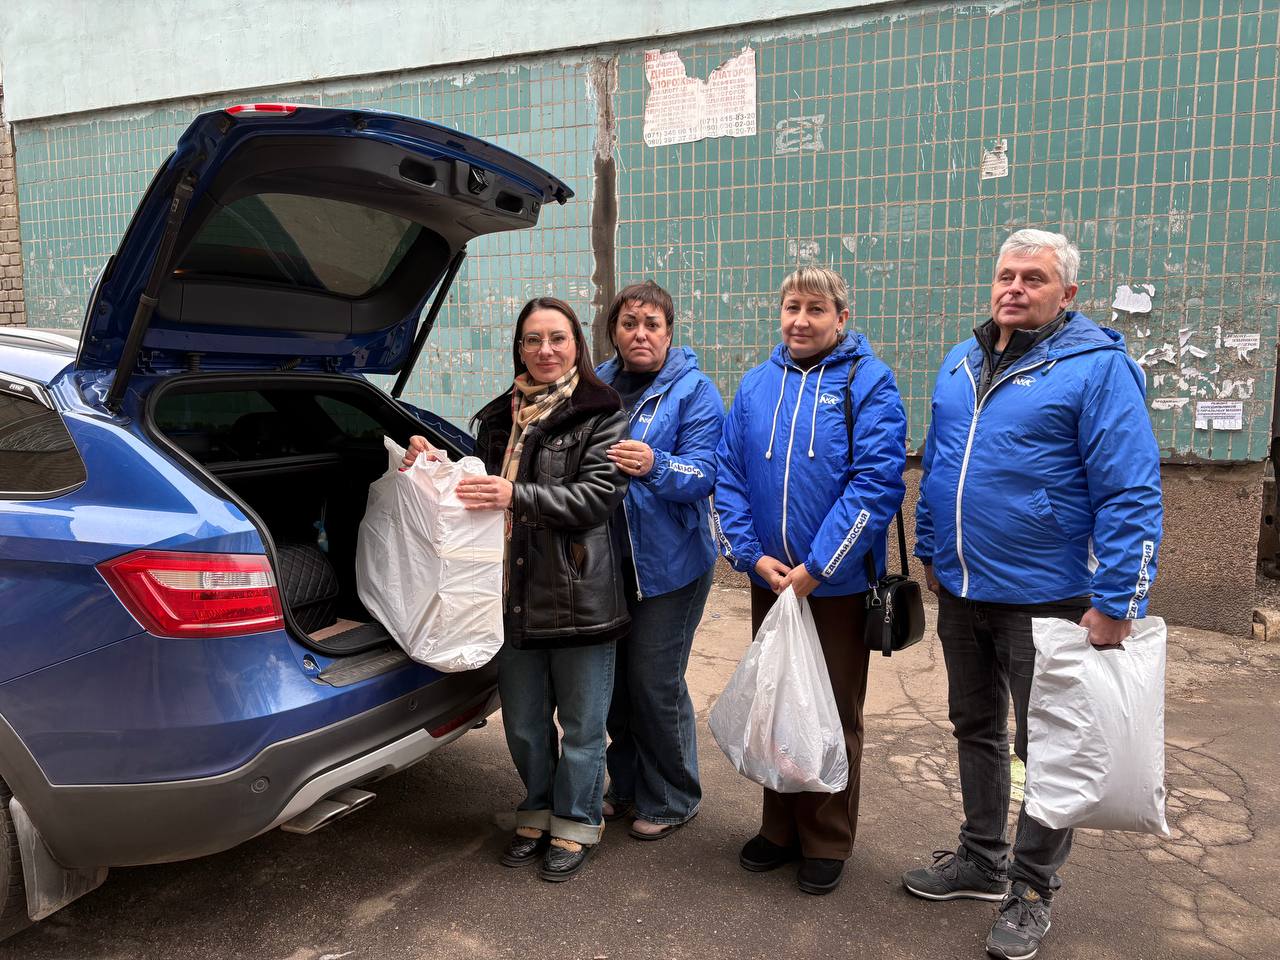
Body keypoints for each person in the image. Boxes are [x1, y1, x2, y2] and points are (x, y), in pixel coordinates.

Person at [905, 229, 1163, 960]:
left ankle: (1031, 888)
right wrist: (930, 548)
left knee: (1047, 747)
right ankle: (981, 859)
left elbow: (1131, 492)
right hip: (963, 588)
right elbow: (940, 459)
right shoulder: (962, 361)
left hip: (1047, 598)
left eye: (1034, 279)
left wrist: (1119, 600)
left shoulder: (1099, 369)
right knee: (974, 728)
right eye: (1005, 275)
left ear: (1067, 294)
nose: (1014, 288)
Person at [403, 297, 629, 883]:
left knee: (582, 726)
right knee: (525, 723)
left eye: (557, 338)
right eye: (532, 340)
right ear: (519, 348)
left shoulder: (602, 413)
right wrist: (434, 462)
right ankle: (537, 806)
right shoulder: (500, 416)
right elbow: (474, 484)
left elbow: (595, 499)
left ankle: (577, 821)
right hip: (510, 595)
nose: (545, 351)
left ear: (577, 345)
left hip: (581, 595)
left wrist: (516, 498)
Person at [713, 266, 906, 895]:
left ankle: (826, 836)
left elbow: (876, 485)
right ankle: (780, 828)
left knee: (829, 712)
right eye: (791, 306)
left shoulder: (868, 382)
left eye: (815, 309)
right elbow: (730, 476)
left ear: (841, 318)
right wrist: (748, 556)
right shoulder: (755, 385)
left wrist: (819, 568)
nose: (801, 319)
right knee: (776, 704)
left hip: (836, 588)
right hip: (771, 582)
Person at [594, 281, 725, 840]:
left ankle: (673, 795)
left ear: (670, 333)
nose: (640, 333)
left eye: (652, 323)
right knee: (613, 685)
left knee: (654, 681)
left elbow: (707, 474)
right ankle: (625, 787)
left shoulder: (694, 392)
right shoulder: (595, 384)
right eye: (629, 323)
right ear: (615, 331)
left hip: (669, 569)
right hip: (605, 565)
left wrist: (656, 464)